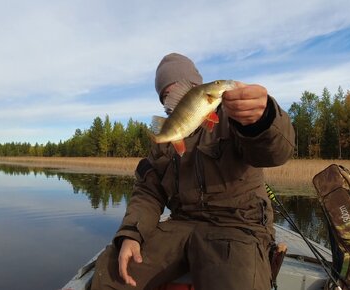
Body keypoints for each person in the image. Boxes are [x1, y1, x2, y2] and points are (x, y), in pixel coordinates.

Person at [91, 53, 295, 290]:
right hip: (181, 225)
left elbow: (275, 153)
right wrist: (132, 234)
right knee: (111, 271)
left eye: (182, 88)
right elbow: (147, 192)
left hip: (239, 226)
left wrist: (263, 119)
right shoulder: (165, 139)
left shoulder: (234, 118)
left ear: (197, 88)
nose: (173, 96)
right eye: (166, 94)